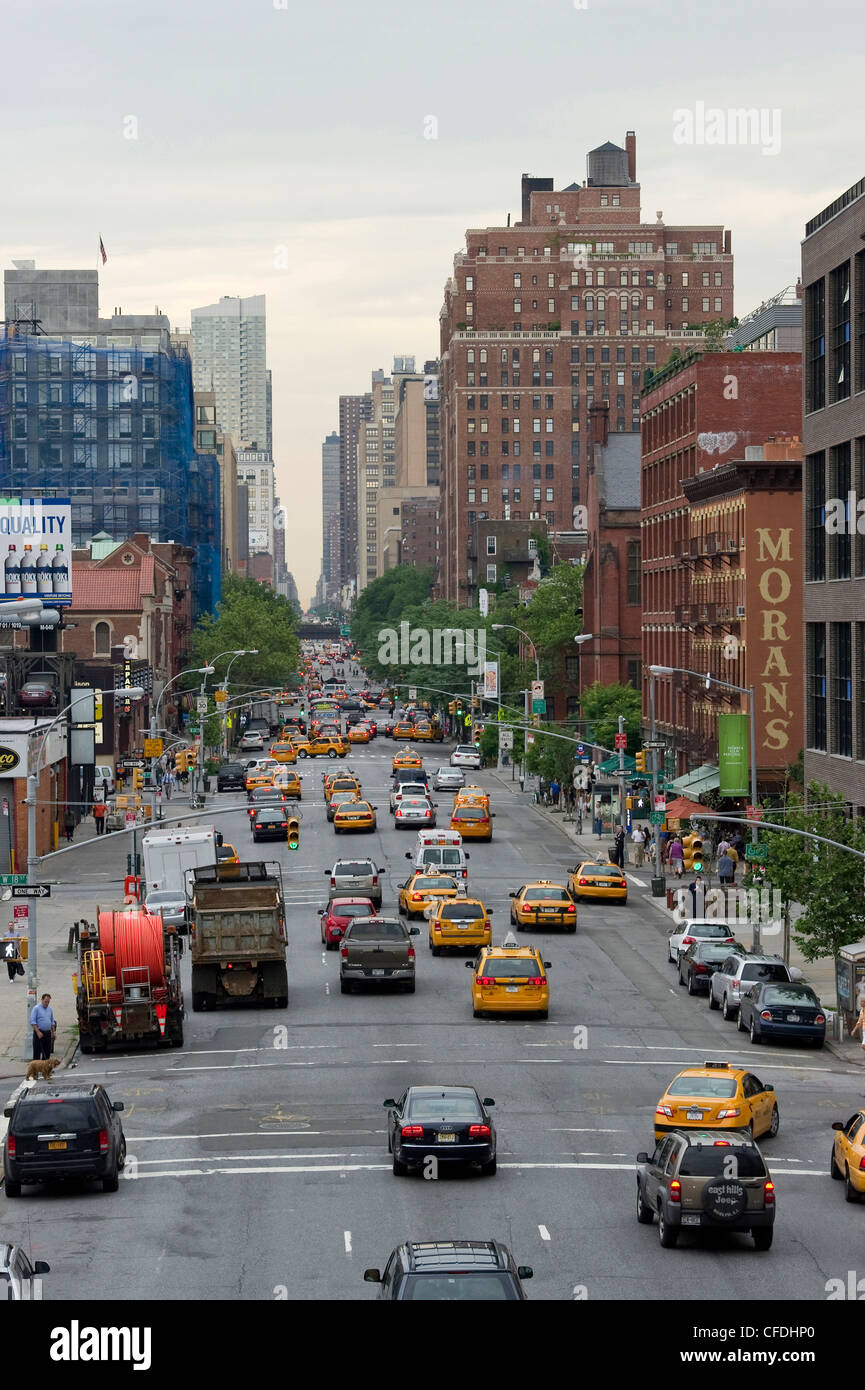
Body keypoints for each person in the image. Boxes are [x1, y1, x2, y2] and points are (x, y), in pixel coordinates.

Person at [30, 992, 56, 1060]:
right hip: (39, 1033)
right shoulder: (36, 1008)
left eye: (48, 1002)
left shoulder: (49, 1009)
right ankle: (36, 1069)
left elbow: (52, 1022)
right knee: (37, 1053)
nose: (46, 1003)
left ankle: (44, 1069)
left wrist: (53, 1033)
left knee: (47, 1053)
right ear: (41, 1000)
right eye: (45, 1001)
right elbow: (33, 1022)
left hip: (47, 1033)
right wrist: (38, 1032)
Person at [850, 993, 865, 1075]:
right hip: (864, 1031)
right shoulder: (862, 1011)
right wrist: (853, 1030)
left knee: (863, 1046)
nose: (861, 1003)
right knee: (864, 1047)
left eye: (862, 1001)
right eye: (861, 1001)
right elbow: (859, 1022)